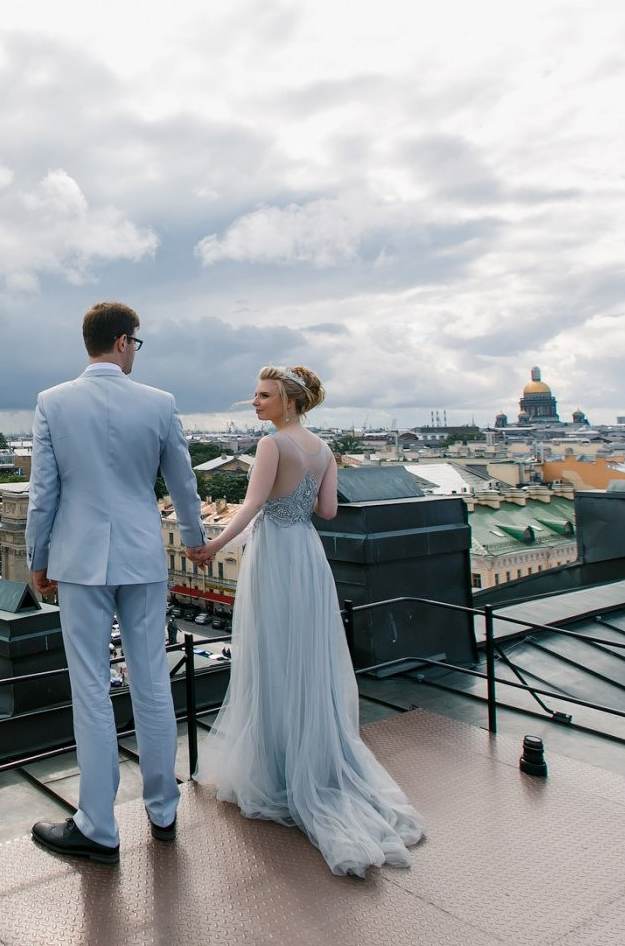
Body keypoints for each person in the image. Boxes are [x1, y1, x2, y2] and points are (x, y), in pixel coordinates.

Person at [187, 364, 425, 877]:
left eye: (263, 395)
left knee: (272, 654)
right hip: (308, 556)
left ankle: (276, 768)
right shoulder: (324, 449)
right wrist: (297, 501)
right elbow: (329, 511)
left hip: (274, 553)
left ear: (289, 401)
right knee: (306, 657)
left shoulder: (271, 445)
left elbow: (253, 505)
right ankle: (315, 762)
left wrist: (212, 545)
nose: (255, 402)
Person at [25, 301, 205, 865]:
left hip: (79, 561)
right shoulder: (160, 403)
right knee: (152, 683)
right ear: (124, 341)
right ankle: (163, 810)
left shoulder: (53, 402)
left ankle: (98, 826)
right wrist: (194, 539)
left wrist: (38, 557)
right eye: (137, 344)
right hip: (142, 556)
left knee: (91, 689)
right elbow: (183, 482)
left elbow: (43, 493)